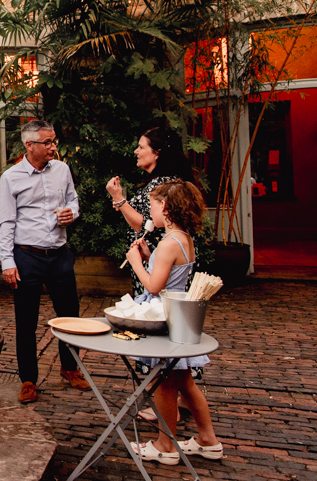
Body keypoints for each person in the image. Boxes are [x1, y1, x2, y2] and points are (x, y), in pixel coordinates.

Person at [124, 180, 223, 465]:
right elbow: (169, 276)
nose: (150, 211)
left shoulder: (168, 244)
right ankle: (208, 439)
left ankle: (165, 445)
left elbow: (154, 286)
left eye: (153, 206)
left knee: (165, 384)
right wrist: (148, 256)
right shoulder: (183, 238)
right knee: (185, 382)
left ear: (165, 208)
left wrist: (136, 263)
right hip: (179, 314)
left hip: (163, 315)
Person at [0, 119, 90, 403]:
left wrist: (71, 213)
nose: (53, 147)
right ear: (29, 145)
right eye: (47, 142)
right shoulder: (11, 178)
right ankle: (28, 379)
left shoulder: (62, 170)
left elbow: (74, 201)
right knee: (26, 321)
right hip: (27, 256)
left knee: (69, 316)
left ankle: (70, 368)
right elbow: (6, 222)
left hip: (59, 255)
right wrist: (7, 262)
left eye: (54, 141)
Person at [105, 126, 195, 297]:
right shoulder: (165, 180)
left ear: (157, 153)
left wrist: (119, 199)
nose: (136, 151)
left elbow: (146, 223)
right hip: (153, 255)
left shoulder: (162, 185)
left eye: (141, 147)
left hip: (159, 262)